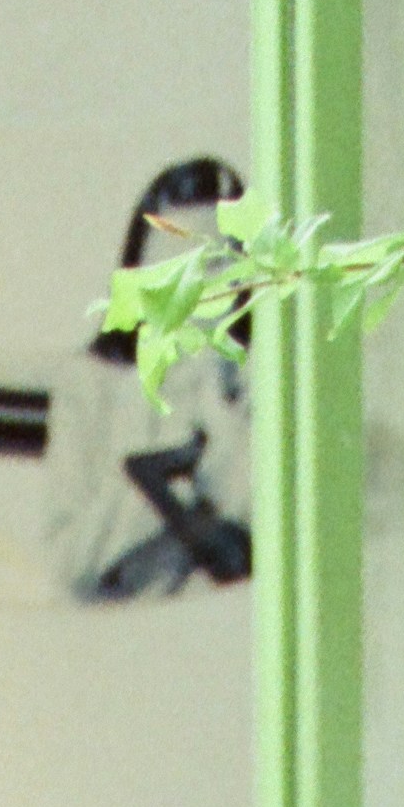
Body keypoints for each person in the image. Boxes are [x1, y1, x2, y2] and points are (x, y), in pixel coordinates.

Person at [36, 153, 256, 602]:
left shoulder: (262, 389)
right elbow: (67, 563)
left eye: (213, 268)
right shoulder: (92, 387)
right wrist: (158, 485)